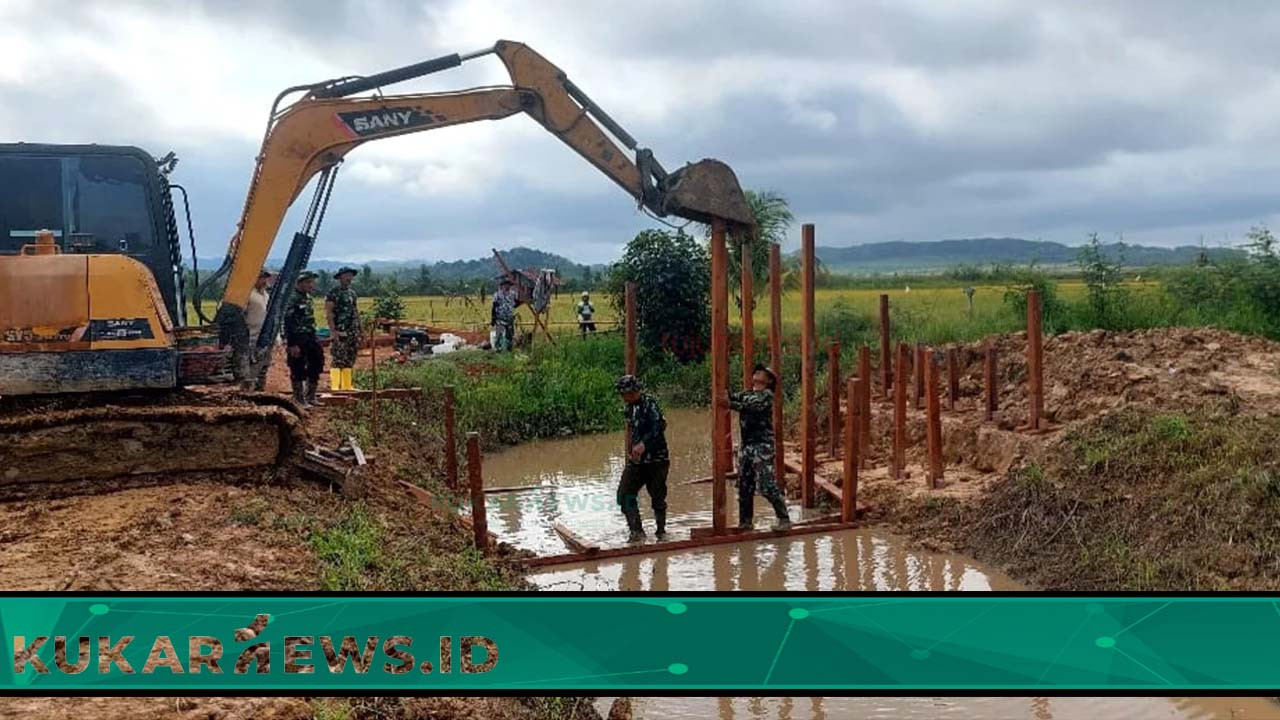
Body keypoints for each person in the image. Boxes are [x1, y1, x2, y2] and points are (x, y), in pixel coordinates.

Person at [720, 364, 791, 530]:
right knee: (745, 485)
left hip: (762, 446)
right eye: (757, 371)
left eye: (763, 373)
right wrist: (724, 394)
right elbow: (732, 397)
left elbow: (753, 408)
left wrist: (730, 404)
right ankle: (745, 522)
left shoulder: (767, 395)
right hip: (747, 446)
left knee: (766, 485)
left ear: (768, 381)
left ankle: (784, 519)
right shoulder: (746, 394)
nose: (758, 373)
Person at [616, 374, 669, 542]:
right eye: (623, 394)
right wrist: (630, 449)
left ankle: (661, 533)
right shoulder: (629, 408)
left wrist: (643, 444)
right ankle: (637, 531)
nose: (625, 397)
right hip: (637, 461)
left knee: (657, 497)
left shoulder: (649, 404)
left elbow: (659, 426)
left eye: (627, 393)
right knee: (625, 494)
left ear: (635, 391)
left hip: (656, 459)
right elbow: (630, 429)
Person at [283, 270, 324, 406]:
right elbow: (288, 322)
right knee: (298, 367)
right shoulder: (291, 298)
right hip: (297, 338)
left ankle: (311, 396)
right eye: (308, 282)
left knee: (317, 362)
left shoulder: (308, 298)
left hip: (310, 335)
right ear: (299, 283)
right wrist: (292, 343)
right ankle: (299, 399)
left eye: (312, 282)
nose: (311, 285)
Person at [325, 266, 360, 391]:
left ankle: (347, 385)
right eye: (346, 276)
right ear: (340, 277)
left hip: (352, 331)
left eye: (350, 276)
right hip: (340, 330)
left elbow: (355, 312)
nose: (349, 278)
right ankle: (335, 386)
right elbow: (329, 313)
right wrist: (333, 331)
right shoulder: (333, 293)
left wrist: (360, 330)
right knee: (338, 358)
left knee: (350, 358)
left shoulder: (352, 293)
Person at [244, 269, 275, 391]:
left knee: (263, 366)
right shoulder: (247, 295)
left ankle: (259, 391)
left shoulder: (266, 295)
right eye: (260, 278)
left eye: (265, 278)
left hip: (265, 337)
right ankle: (248, 392)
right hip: (251, 337)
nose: (263, 281)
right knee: (251, 367)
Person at [491, 276, 520, 352]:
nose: (508, 286)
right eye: (506, 284)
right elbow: (494, 307)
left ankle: (509, 349)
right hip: (500, 318)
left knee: (510, 335)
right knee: (499, 334)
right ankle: (497, 349)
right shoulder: (497, 295)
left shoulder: (513, 294)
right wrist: (493, 319)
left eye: (509, 285)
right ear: (502, 285)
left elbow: (516, 303)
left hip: (510, 318)